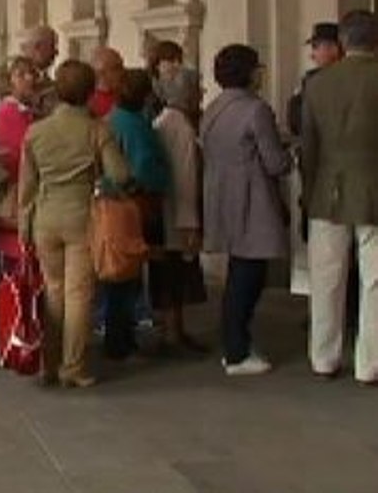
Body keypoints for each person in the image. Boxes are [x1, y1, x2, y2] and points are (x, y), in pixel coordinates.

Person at [19, 60, 129, 387]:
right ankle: (73, 366)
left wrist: (25, 226)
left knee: (53, 290)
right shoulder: (97, 129)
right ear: (90, 91)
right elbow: (119, 174)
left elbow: (27, 187)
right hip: (81, 215)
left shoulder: (36, 131)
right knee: (79, 293)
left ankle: (48, 365)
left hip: (44, 216)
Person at [202, 44, 292, 376]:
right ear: (249, 72)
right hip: (253, 198)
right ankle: (236, 350)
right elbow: (274, 162)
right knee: (248, 277)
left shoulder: (213, 108)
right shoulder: (256, 109)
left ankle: (235, 343)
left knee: (239, 273)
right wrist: (290, 155)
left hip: (222, 195)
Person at [302, 10, 378, 386]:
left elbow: (309, 148)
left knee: (327, 279)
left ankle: (324, 358)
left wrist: (309, 190)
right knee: (375, 281)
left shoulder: (317, 85)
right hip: (374, 190)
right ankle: (370, 365)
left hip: (327, 191)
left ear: (343, 42)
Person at [103, 69, 170, 362]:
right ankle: (121, 342)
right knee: (126, 277)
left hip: (110, 203)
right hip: (134, 203)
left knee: (116, 273)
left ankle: (117, 337)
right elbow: (144, 168)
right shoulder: (135, 125)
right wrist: (162, 179)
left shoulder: (112, 118)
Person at [151, 67, 208, 353]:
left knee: (169, 276)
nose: (202, 93)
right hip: (176, 214)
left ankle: (172, 331)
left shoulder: (164, 121)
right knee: (175, 276)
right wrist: (190, 223)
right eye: (198, 88)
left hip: (166, 212)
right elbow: (186, 178)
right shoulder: (181, 126)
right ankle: (173, 333)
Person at [0, 57, 38, 273]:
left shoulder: (26, 112)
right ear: (9, 81)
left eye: (32, 73)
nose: (30, 78)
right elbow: (20, 155)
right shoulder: (9, 114)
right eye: (22, 74)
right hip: (16, 194)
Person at [18, 25, 59, 115]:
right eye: (52, 46)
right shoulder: (15, 78)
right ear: (38, 47)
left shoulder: (47, 80)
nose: (56, 52)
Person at [147, 40, 185, 120]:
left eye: (179, 61)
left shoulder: (172, 87)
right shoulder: (147, 91)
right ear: (157, 63)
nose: (177, 65)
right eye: (171, 60)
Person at [88, 46, 124, 119]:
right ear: (100, 72)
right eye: (117, 68)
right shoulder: (86, 101)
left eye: (122, 66)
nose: (123, 72)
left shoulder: (128, 94)